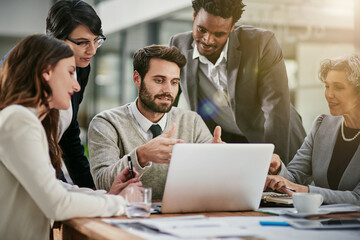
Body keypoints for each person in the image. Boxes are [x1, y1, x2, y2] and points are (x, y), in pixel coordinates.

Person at [0, 34, 142, 239]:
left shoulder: (24, 119)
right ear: (46, 72)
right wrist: (123, 203)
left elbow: (54, 187)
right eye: (70, 72)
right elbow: (57, 204)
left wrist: (106, 196)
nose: (76, 86)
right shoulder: (19, 120)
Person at [169, 0, 306, 164]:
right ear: (194, 17)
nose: (208, 40)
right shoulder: (179, 45)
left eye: (219, 34)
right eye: (202, 29)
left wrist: (275, 160)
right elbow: (168, 102)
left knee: (278, 186)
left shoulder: (262, 43)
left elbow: (275, 106)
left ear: (232, 27)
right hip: (228, 139)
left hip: (275, 138)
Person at [88, 45, 223, 200]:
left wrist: (218, 159)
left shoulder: (191, 121)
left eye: (174, 82)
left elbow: (208, 181)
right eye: (159, 80)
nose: (168, 90)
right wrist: (141, 156)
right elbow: (103, 184)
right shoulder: (106, 123)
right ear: (137, 78)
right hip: (129, 216)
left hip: (183, 215)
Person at [0, 0, 103, 188]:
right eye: (82, 43)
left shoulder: (80, 66)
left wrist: (91, 189)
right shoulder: (20, 69)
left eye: (97, 40)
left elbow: (69, 136)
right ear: (56, 40)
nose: (93, 50)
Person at [265, 55, 360, 205]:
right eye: (327, 86)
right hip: (320, 222)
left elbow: (357, 198)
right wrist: (278, 169)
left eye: (338, 87)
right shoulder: (322, 125)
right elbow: (295, 177)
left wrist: (305, 191)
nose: (329, 94)